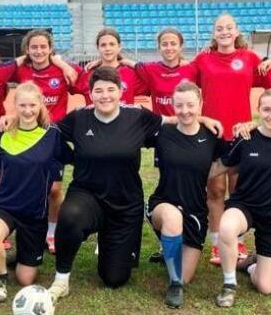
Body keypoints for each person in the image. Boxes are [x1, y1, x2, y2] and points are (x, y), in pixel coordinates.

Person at [35, 66, 221, 300]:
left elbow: (173, 120)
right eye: (98, 91)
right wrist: (70, 156)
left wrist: (202, 118)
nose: (105, 96)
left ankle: (107, 239)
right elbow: (48, 133)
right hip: (88, 195)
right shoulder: (79, 118)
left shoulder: (137, 116)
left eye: (110, 89)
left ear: (120, 91)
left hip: (124, 204)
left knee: (114, 278)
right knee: (70, 214)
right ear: (90, 94)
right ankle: (61, 280)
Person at [210, 89, 271, 307]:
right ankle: (229, 284)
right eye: (266, 109)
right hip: (244, 206)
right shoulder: (246, 137)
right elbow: (220, 166)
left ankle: (249, 265)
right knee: (227, 227)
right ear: (258, 110)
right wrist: (186, 174)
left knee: (265, 287)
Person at [0, 83, 71, 302]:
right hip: (5, 207)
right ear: (15, 105)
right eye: (22, 105)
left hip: (35, 214)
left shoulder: (52, 134)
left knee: (25, 278)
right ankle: (0, 278)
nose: (28, 110)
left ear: (40, 104)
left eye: (32, 105)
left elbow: (68, 158)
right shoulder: (2, 132)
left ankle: (22, 254)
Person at [145, 81, 222, 308]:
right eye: (179, 105)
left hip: (195, 212)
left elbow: (230, 160)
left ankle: (171, 252)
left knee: (186, 274)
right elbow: (130, 121)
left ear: (201, 104)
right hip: (163, 204)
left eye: (190, 105)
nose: (185, 110)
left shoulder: (212, 135)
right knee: (172, 219)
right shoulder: (162, 132)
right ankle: (175, 285)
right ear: (172, 105)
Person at [193, 14, 262, 265]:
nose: (224, 32)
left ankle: (237, 240)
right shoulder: (202, 59)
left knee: (238, 190)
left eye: (229, 27)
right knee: (215, 190)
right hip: (212, 133)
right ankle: (216, 243)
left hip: (241, 133)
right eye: (219, 28)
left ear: (236, 31)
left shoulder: (250, 57)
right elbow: (184, 80)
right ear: (214, 33)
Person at [13, 29, 82, 252]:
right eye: (34, 47)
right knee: (29, 187)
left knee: (53, 189)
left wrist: (62, 64)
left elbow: (83, 79)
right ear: (27, 49)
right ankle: (27, 229)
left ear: (50, 48)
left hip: (53, 138)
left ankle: (51, 232)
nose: (39, 51)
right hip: (26, 137)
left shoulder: (62, 70)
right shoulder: (21, 69)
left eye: (43, 46)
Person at [127, 28, 198, 116]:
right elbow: (136, 65)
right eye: (164, 44)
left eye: (173, 44)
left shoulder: (191, 69)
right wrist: (122, 60)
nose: (169, 48)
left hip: (185, 123)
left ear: (180, 47)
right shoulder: (151, 69)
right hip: (161, 123)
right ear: (159, 48)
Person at [77, 28, 147, 105]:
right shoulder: (88, 73)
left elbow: (153, 79)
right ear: (98, 48)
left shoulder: (130, 73)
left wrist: (133, 64)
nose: (108, 49)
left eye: (112, 44)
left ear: (119, 47)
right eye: (103, 45)